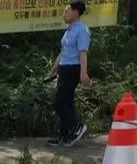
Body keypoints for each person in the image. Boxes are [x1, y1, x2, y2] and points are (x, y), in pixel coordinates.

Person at [46, 1, 92, 146]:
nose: (64, 13)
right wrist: (53, 70)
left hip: (73, 69)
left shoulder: (82, 30)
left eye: (67, 10)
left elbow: (83, 52)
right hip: (64, 69)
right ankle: (65, 136)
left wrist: (83, 73)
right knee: (67, 103)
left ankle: (76, 127)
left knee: (58, 102)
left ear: (76, 12)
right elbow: (63, 52)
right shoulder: (69, 30)